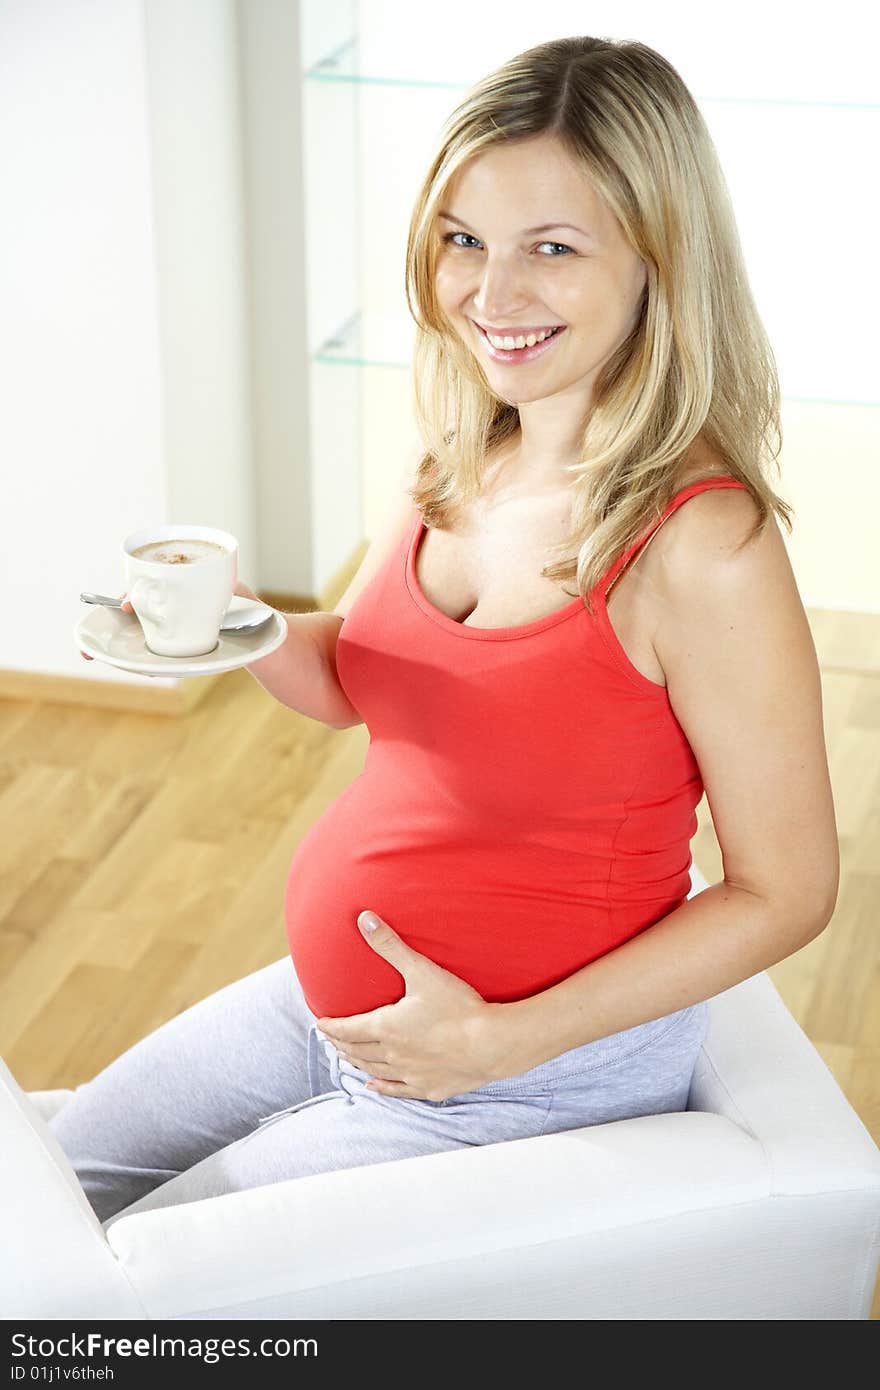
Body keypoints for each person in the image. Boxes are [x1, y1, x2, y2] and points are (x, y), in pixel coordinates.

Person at [57, 34, 838, 1232]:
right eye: (464, 239)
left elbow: (786, 889)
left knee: (115, 1285)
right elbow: (367, 681)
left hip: (517, 1078)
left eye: (553, 249)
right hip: (337, 1016)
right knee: (55, 1189)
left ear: (659, 262)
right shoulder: (463, 452)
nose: (491, 293)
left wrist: (496, 1037)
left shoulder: (701, 544)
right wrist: (238, 629)